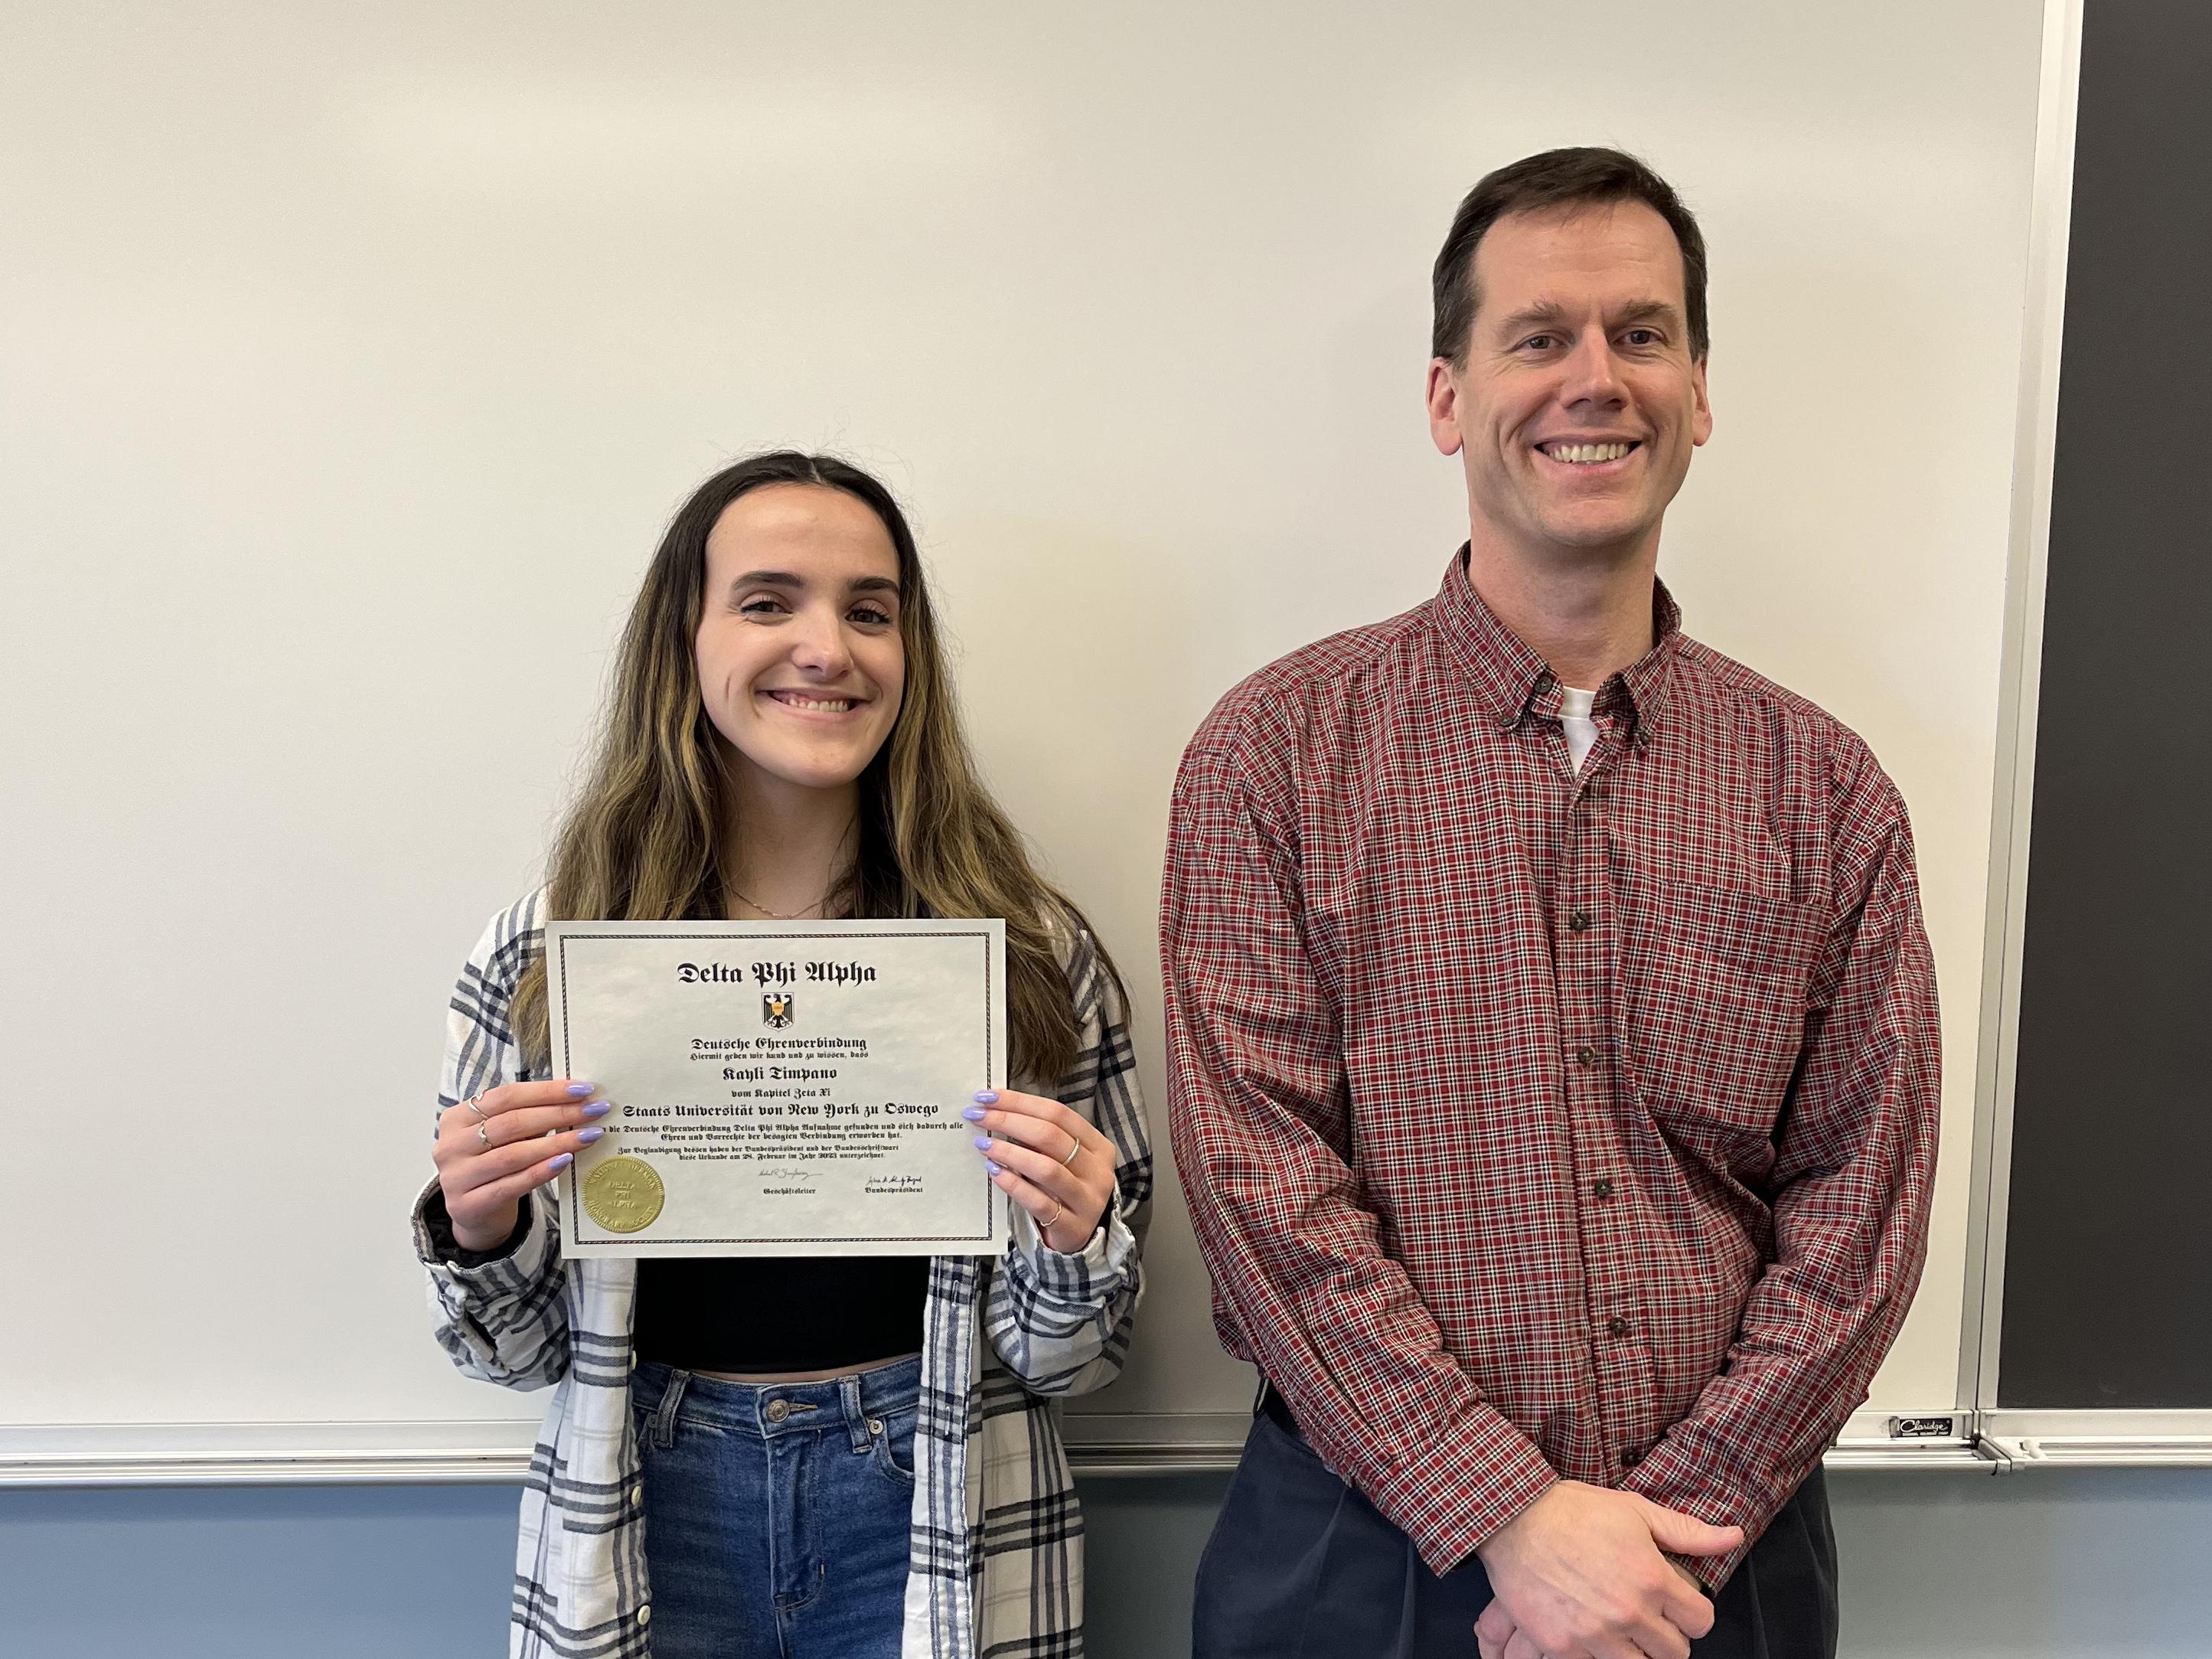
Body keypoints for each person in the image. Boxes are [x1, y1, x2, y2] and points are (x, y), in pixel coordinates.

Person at [1164, 148, 1939, 1659]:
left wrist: (1664, 1527)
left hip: (1714, 1566)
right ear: (1447, 395)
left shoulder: (1826, 791)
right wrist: (1510, 1515)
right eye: (1538, 337)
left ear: (1697, 393)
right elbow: (1261, 1192)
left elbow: (1858, 1208)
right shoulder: (1270, 755)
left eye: (1639, 335)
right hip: (1352, 1559)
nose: (1594, 379)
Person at [411, 452, 1150, 1659]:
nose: (828, 648)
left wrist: (1075, 1236)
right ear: (683, 643)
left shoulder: (1025, 952)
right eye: (768, 602)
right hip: (650, 1492)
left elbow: (1073, 1361)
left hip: (937, 1486)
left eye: (870, 611)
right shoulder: (545, 952)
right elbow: (523, 1354)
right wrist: (481, 1230)